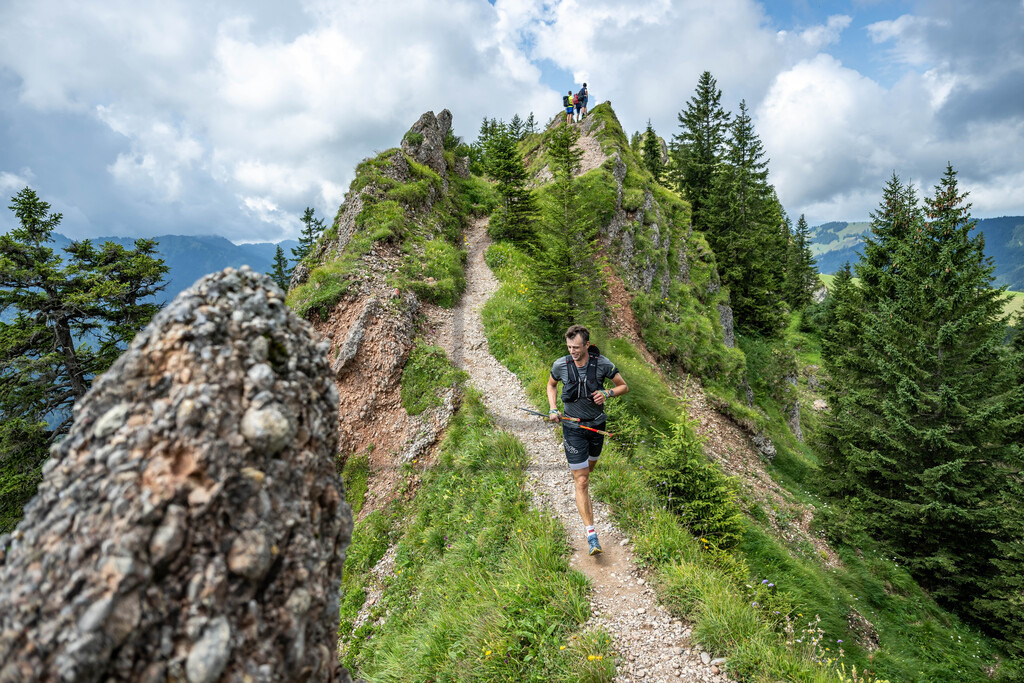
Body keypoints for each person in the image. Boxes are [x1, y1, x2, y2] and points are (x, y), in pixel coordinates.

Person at [547, 325, 628, 555]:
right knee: (581, 481)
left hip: (597, 426)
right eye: (569, 347)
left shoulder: (602, 363)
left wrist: (608, 393)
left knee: (588, 470)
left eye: (576, 347)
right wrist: (553, 408)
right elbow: (551, 385)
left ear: (586, 345)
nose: (572, 351)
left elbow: (623, 386)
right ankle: (592, 535)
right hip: (572, 427)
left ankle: (581, 478)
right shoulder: (560, 365)